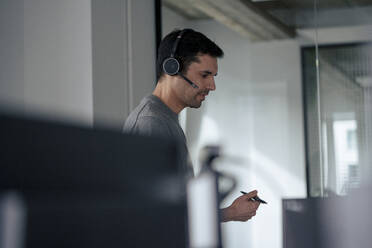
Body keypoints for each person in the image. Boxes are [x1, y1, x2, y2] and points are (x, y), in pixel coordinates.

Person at [123, 28, 260, 222]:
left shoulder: (166, 120)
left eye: (213, 76)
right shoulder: (152, 124)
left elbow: (176, 208)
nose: (212, 86)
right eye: (205, 75)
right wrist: (229, 213)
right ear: (172, 68)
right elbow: (157, 216)